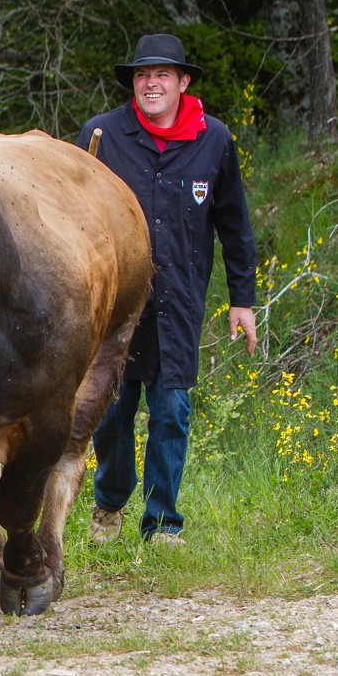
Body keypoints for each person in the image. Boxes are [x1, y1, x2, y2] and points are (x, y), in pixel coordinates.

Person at [78, 34, 258, 548]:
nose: (150, 83)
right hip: (114, 305)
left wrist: (241, 300)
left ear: (184, 82)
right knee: (109, 413)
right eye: (141, 74)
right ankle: (110, 501)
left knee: (171, 413)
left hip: (178, 302)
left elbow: (235, 226)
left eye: (162, 74)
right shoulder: (99, 136)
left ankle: (162, 523)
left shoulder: (214, 140)